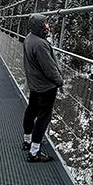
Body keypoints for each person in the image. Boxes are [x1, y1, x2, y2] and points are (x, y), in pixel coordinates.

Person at [22, 14, 63, 163]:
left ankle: (27, 141)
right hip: (45, 87)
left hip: (34, 84)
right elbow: (49, 68)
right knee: (44, 117)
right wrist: (59, 81)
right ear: (39, 27)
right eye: (45, 24)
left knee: (31, 110)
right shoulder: (40, 44)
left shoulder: (29, 38)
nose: (48, 26)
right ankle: (34, 152)